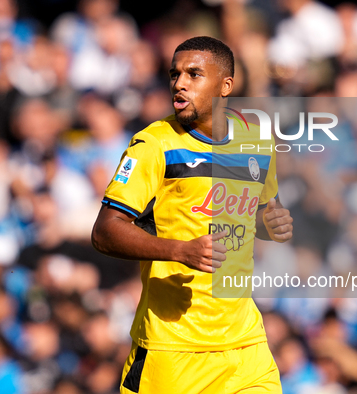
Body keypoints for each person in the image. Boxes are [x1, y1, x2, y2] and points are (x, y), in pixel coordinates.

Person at [91, 36, 293, 393]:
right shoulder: (154, 145)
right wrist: (180, 251)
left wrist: (270, 224)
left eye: (194, 74)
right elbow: (105, 231)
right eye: (175, 74)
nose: (179, 83)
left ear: (226, 85)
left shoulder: (257, 142)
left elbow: (257, 214)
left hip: (244, 345)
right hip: (172, 349)